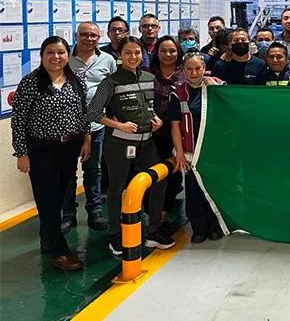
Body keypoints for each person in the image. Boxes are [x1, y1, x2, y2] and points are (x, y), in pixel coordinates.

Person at [86, 37, 174, 256]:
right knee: (117, 188)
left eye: (137, 53)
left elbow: (149, 106)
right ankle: (115, 234)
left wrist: (158, 121)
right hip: (118, 143)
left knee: (158, 181)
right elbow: (93, 113)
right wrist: (119, 125)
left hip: (147, 143)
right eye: (128, 53)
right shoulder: (111, 82)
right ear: (119, 55)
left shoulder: (149, 77)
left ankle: (154, 230)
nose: (133, 57)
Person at [12, 37, 91, 271]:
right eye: (50, 52)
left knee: (61, 196)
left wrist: (86, 139)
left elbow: (83, 113)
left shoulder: (76, 81)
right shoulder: (30, 83)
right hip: (41, 150)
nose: (56, 57)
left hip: (69, 148)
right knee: (47, 200)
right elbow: (18, 121)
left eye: (61, 52)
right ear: (42, 55)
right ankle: (59, 251)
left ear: (68, 55)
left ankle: (48, 237)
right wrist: (21, 153)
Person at [62, 22, 116, 234]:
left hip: (95, 127)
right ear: (76, 36)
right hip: (68, 127)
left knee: (94, 170)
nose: (88, 39)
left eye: (93, 35)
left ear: (99, 37)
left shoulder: (108, 60)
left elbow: (113, 88)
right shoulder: (65, 59)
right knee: (67, 172)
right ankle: (68, 214)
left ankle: (94, 211)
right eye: (84, 34)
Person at [168, 52, 225, 243]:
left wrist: (217, 89)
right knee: (193, 191)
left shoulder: (218, 86)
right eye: (189, 69)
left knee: (213, 190)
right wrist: (180, 154)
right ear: (183, 71)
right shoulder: (178, 93)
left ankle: (215, 226)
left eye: (198, 68)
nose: (194, 72)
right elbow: (175, 126)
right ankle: (199, 228)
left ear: (204, 68)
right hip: (190, 151)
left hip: (214, 151)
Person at [149, 36, 186, 225]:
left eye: (172, 50)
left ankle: (164, 209)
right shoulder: (147, 74)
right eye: (163, 50)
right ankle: (153, 210)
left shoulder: (185, 73)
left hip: (178, 133)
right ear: (157, 53)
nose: (168, 54)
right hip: (153, 133)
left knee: (173, 173)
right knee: (152, 173)